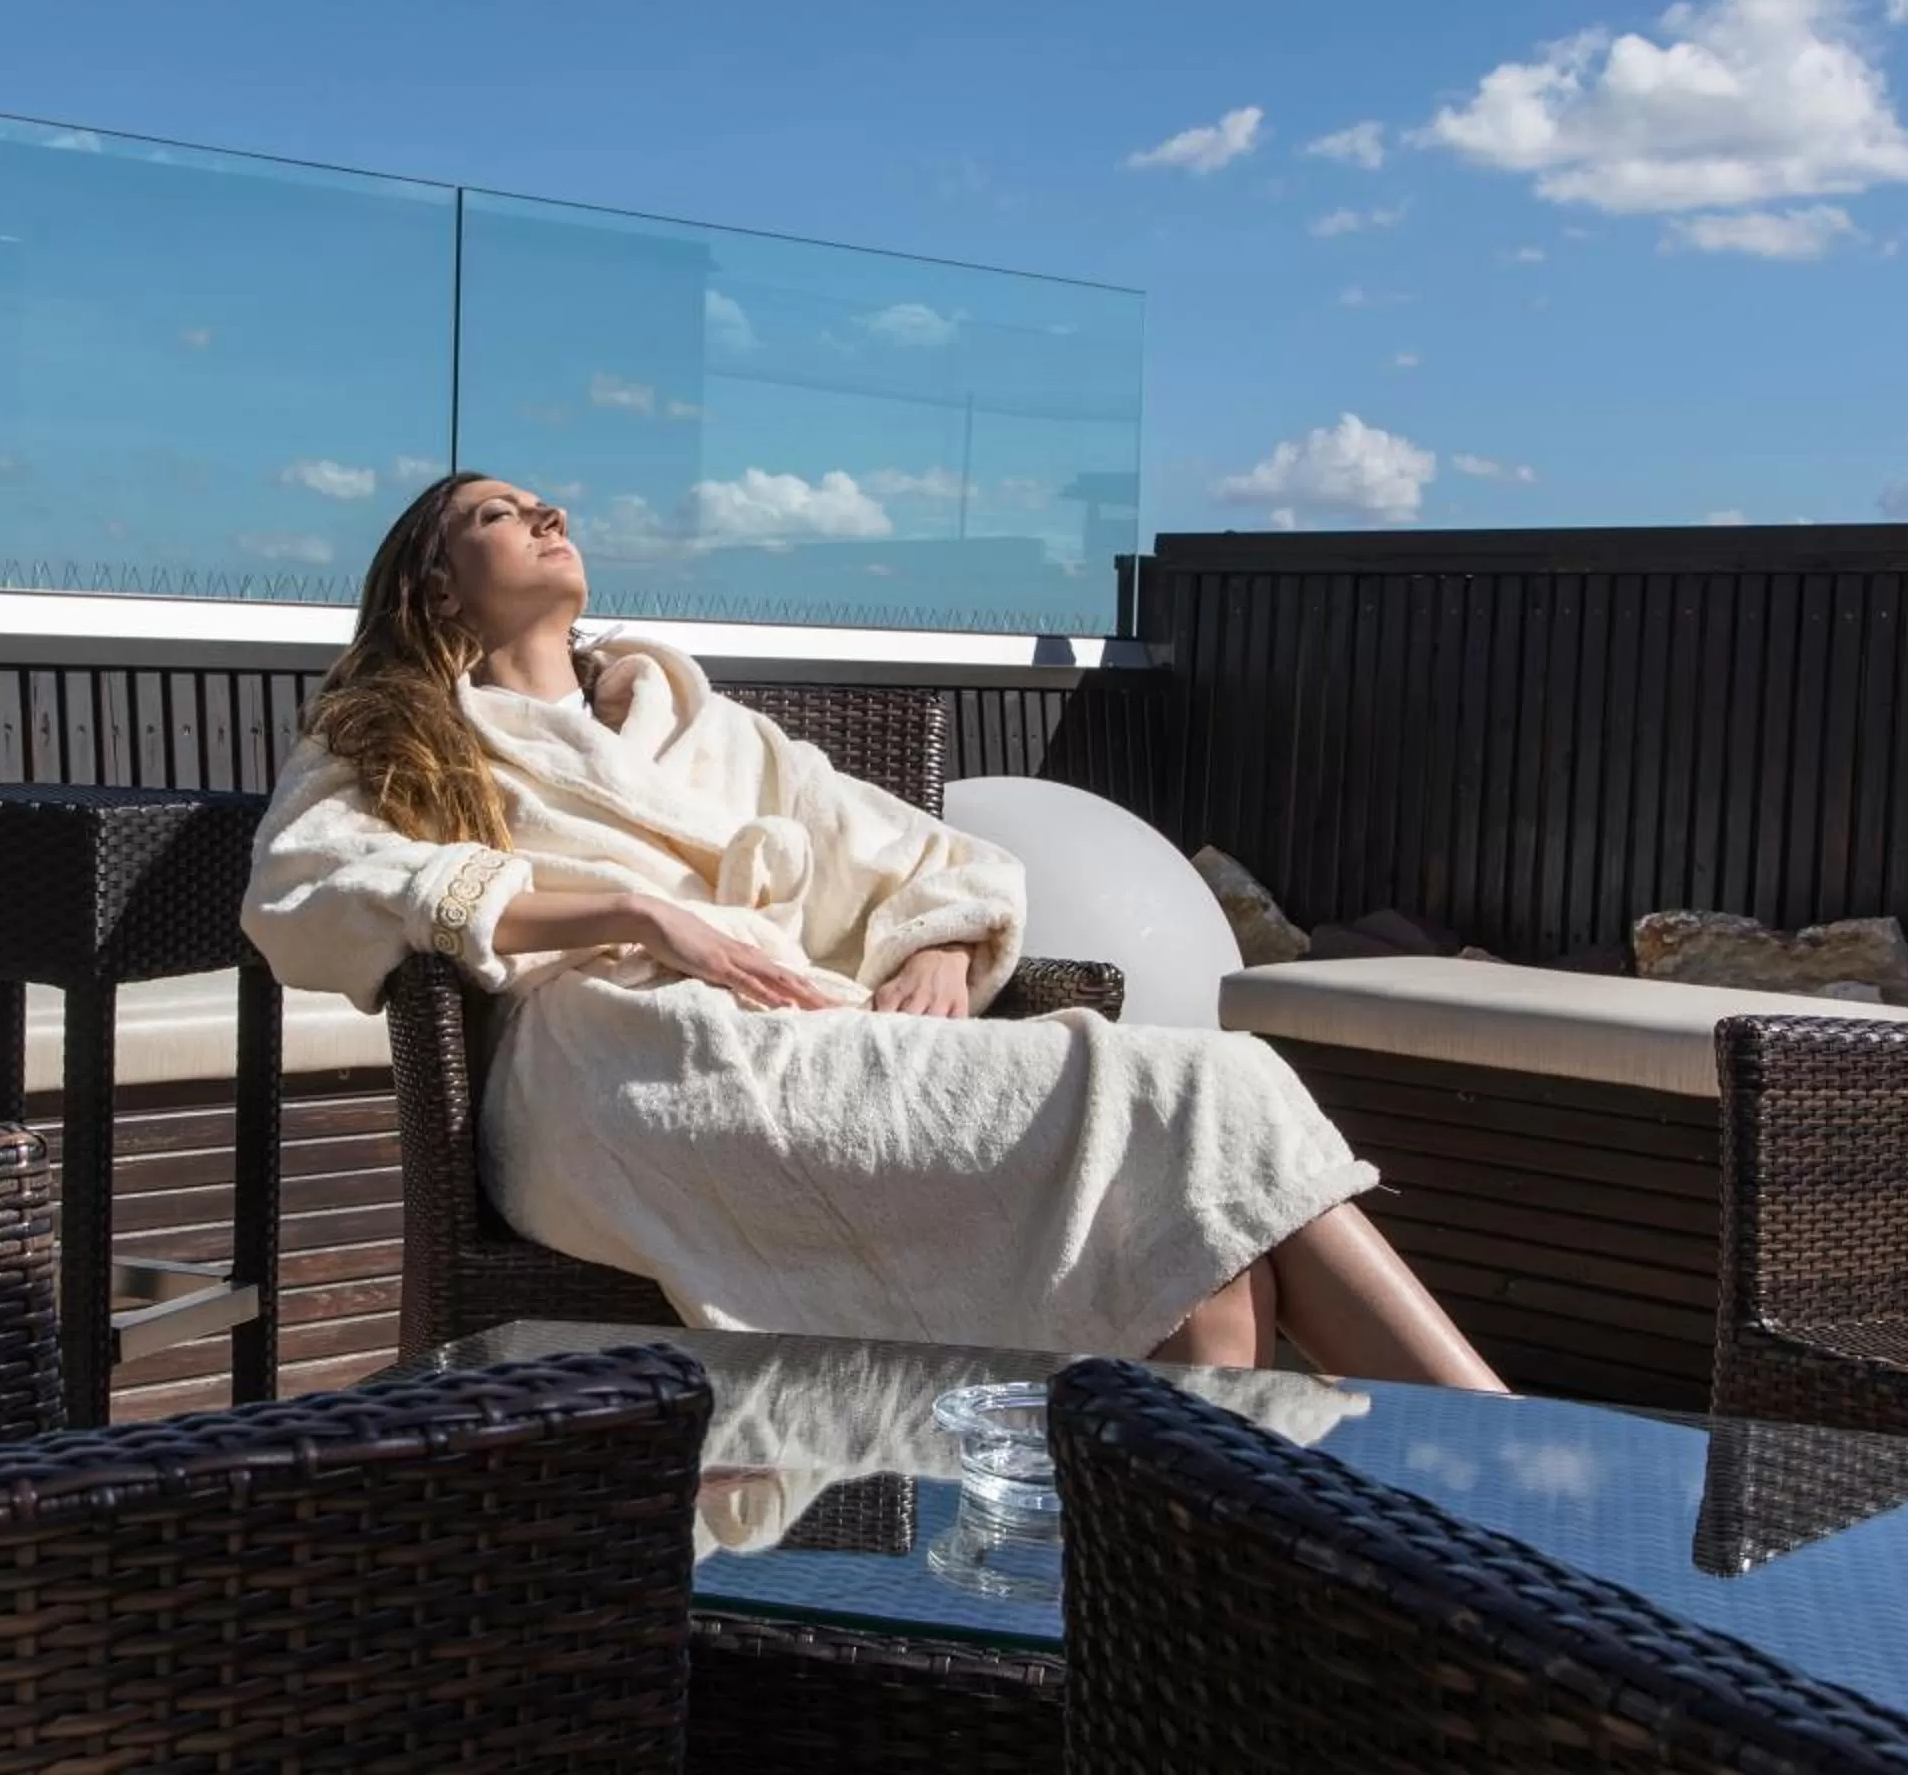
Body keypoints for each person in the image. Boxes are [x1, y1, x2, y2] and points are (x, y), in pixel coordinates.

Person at [242, 473, 1504, 1390]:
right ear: (436, 586)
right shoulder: (399, 734)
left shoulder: (700, 725)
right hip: (612, 1067)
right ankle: (1464, 1503)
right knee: (1195, 1105)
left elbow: (931, 857)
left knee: (1199, 1145)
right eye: (501, 516)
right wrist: (638, 909)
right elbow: (309, 885)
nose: (551, 514)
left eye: (545, 503)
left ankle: (1209, 1541)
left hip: (794, 1033)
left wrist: (942, 950)